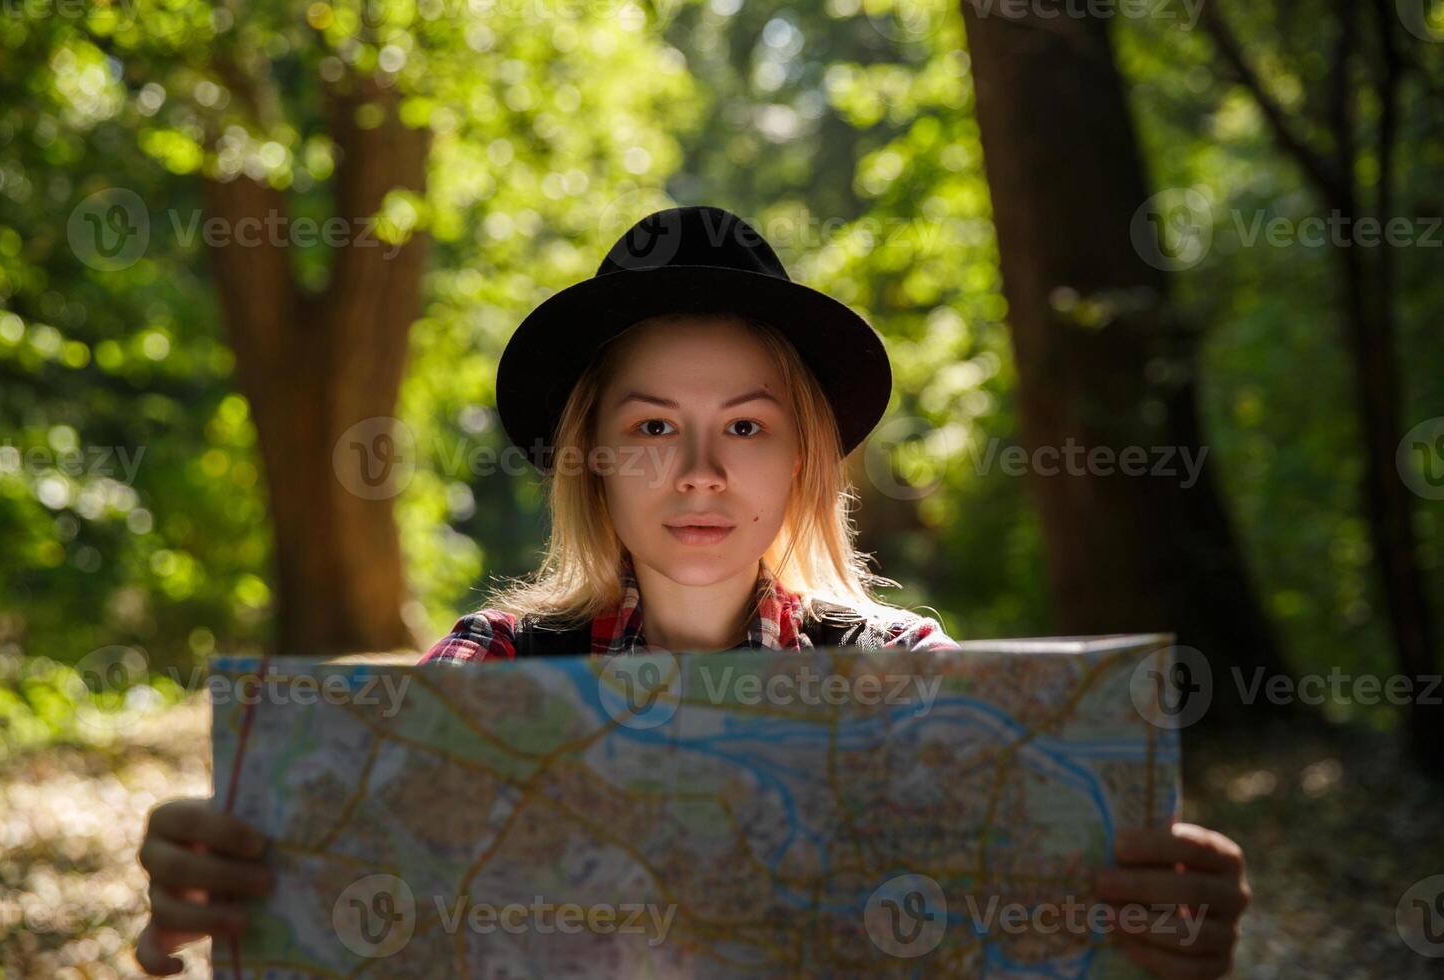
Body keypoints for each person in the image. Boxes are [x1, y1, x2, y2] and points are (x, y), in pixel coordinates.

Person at [135, 206, 1249, 977]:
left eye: (748, 426)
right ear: (591, 459)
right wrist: (252, 874)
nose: (702, 469)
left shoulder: (906, 667)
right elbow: (372, 911)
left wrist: (1157, 942)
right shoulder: (485, 675)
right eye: (654, 425)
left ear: (804, 459)